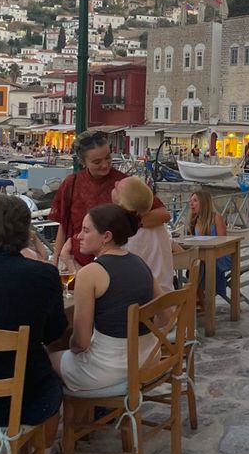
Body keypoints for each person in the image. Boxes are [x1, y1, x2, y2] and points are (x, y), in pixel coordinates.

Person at [0, 195, 66, 453]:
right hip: (26, 396)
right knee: (53, 381)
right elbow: (54, 332)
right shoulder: (44, 275)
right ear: (27, 234)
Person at [51, 205, 161, 391]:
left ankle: (77, 417)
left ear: (106, 236)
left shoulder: (90, 273)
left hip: (109, 370)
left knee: (44, 358)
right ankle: (98, 412)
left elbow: (81, 343)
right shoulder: (140, 263)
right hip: (148, 358)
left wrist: (66, 344)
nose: (78, 236)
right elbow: (166, 315)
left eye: (86, 230)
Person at [49, 130, 170, 268]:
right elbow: (63, 226)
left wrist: (127, 225)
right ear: (83, 162)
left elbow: (164, 214)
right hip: (74, 262)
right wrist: (56, 260)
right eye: (97, 162)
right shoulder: (71, 183)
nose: (105, 165)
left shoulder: (124, 183)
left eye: (108, 158)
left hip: (111, 265)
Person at [113, 176, 175, 293]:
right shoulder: (159, 227)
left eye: (117, 189)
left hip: (145, 303)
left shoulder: (129, 235)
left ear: (123, 204)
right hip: (166, 296)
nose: (115, 182)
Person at [188, 190, 230, 301]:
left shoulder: (216, 218)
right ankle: (199, 300)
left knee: (197, 265)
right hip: (203, 256)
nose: (191, 203)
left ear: (204, 202)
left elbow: (223, 243)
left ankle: (198, 300)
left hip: (220, 255)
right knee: (195, 264)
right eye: (190, 201)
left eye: (195, 200)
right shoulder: (194, 221)